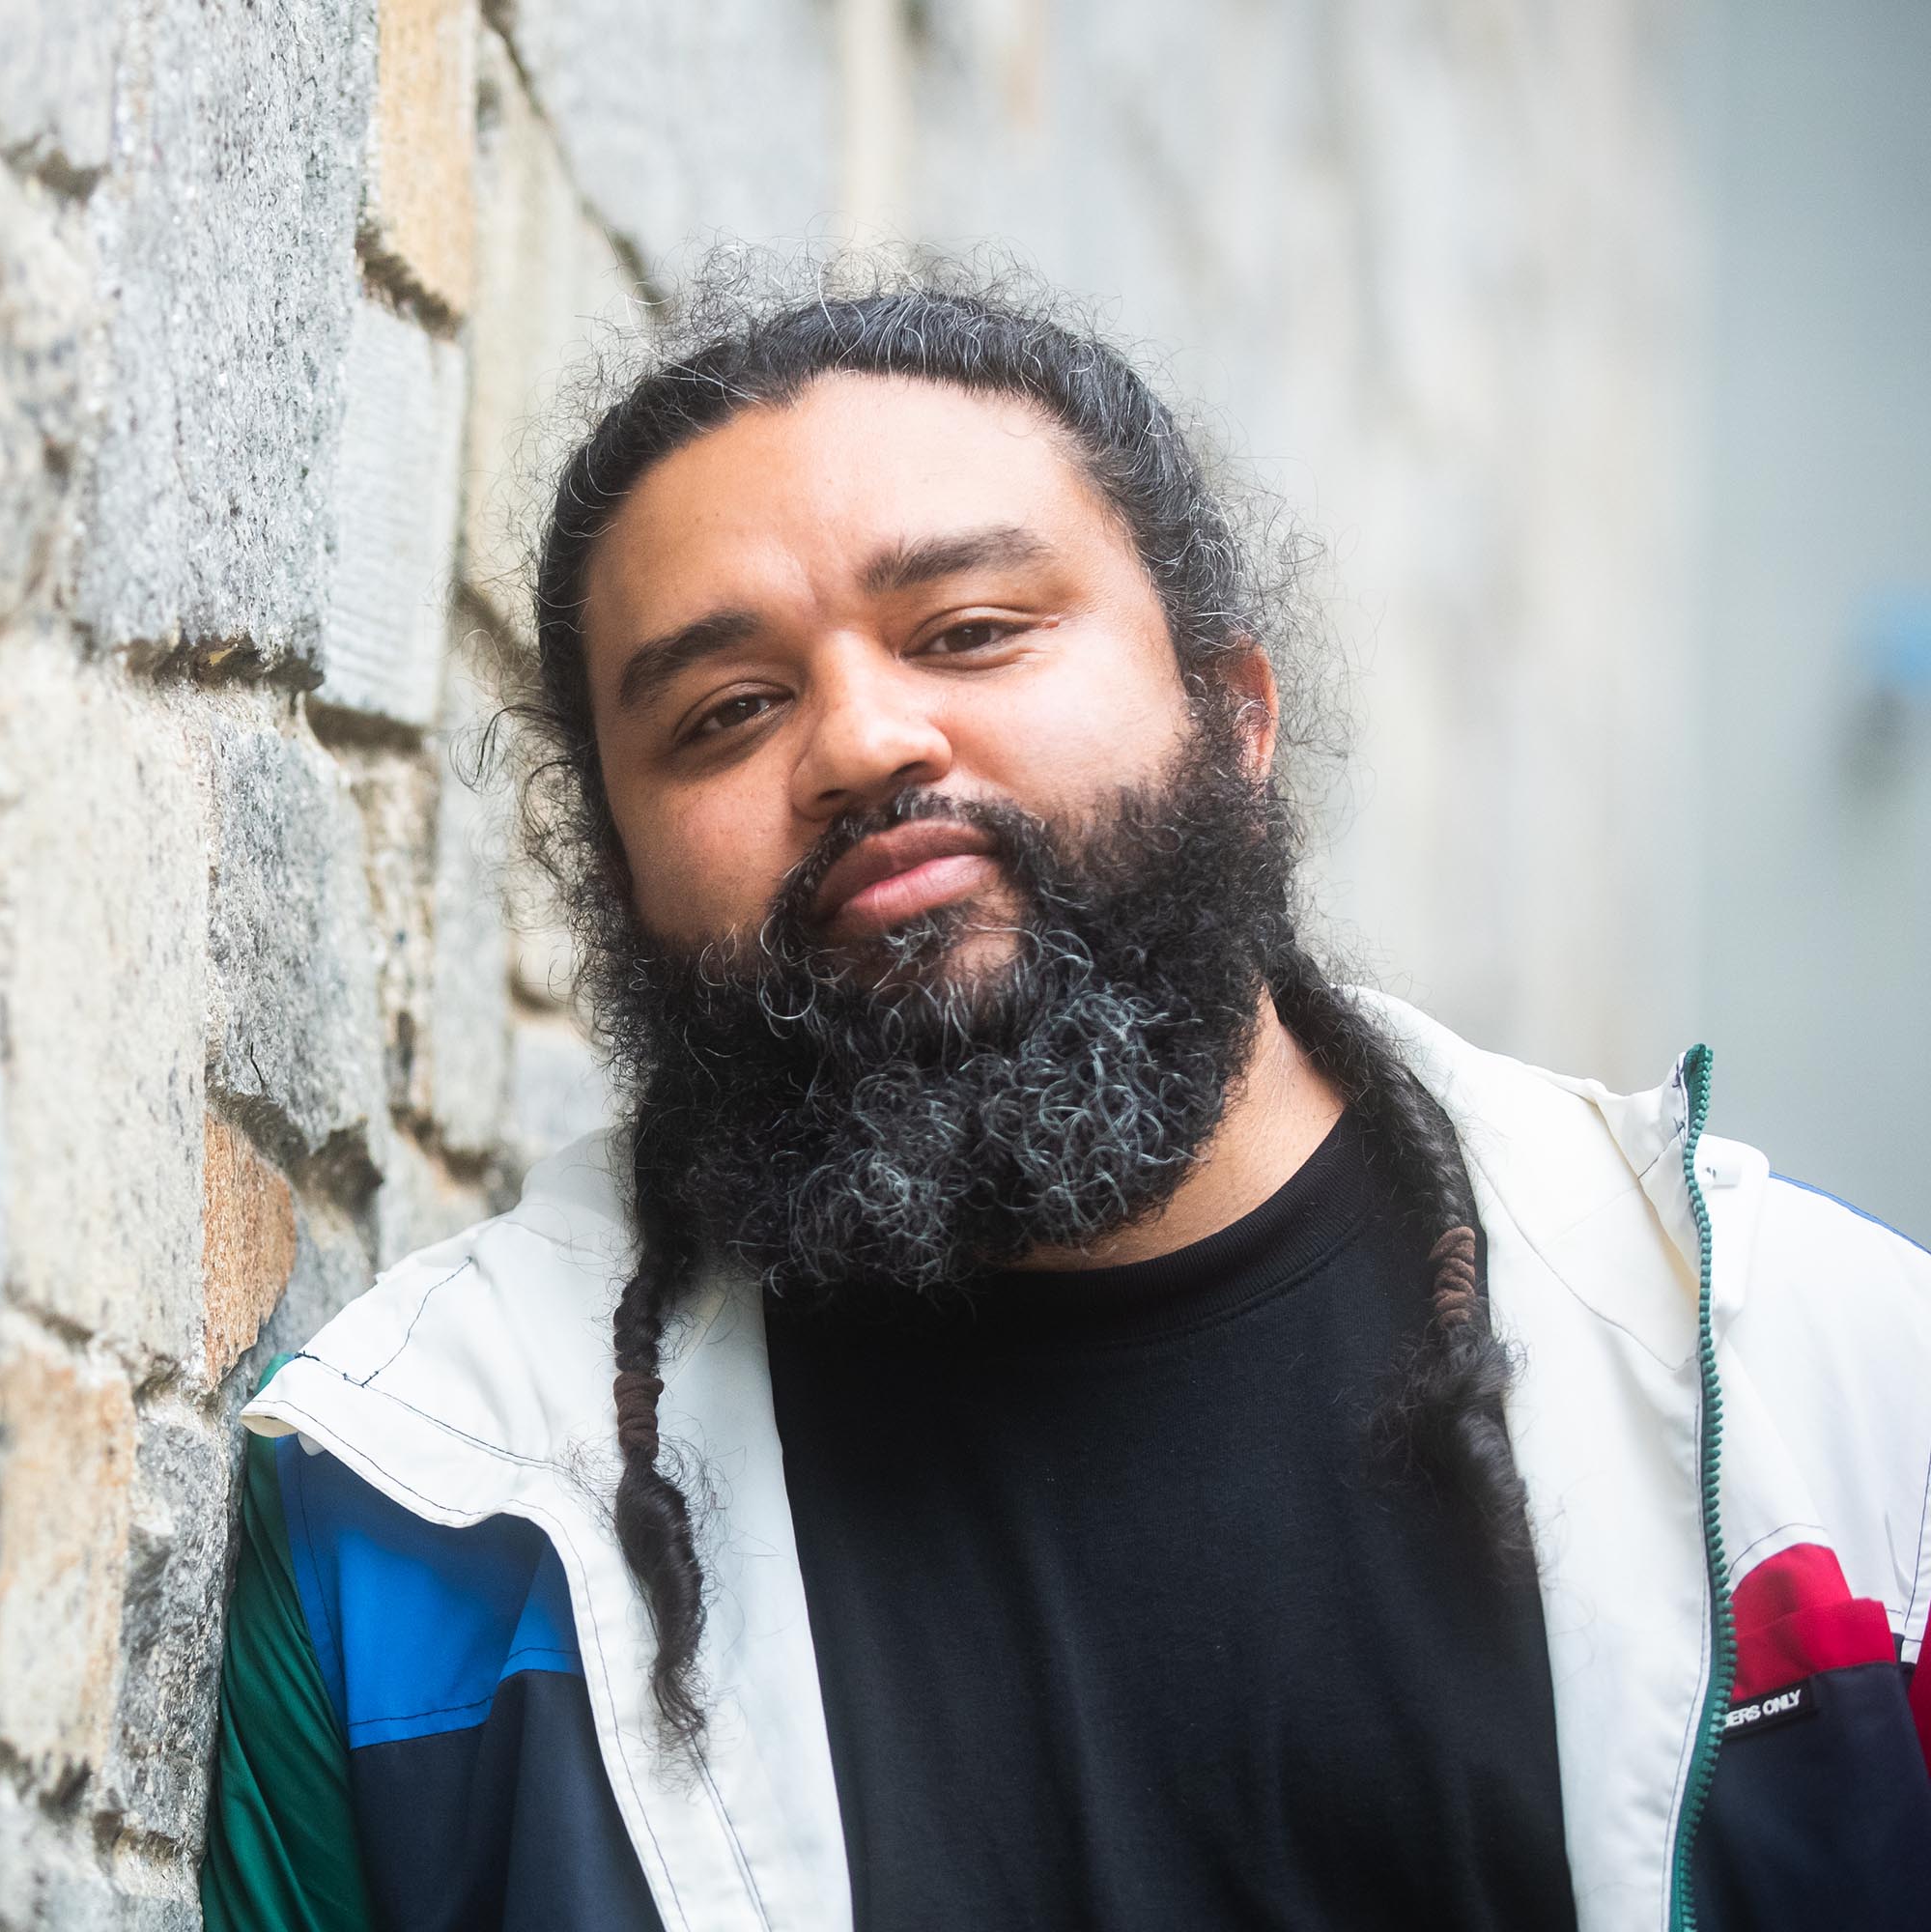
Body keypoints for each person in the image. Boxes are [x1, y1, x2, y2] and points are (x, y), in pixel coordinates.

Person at [200, 269, 1931, 1932]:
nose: (867, 740)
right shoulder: (412, 1527)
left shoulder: (1835, 1417)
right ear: (618, 877)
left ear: (1233, 712)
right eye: (728, 712)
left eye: (969, 629)